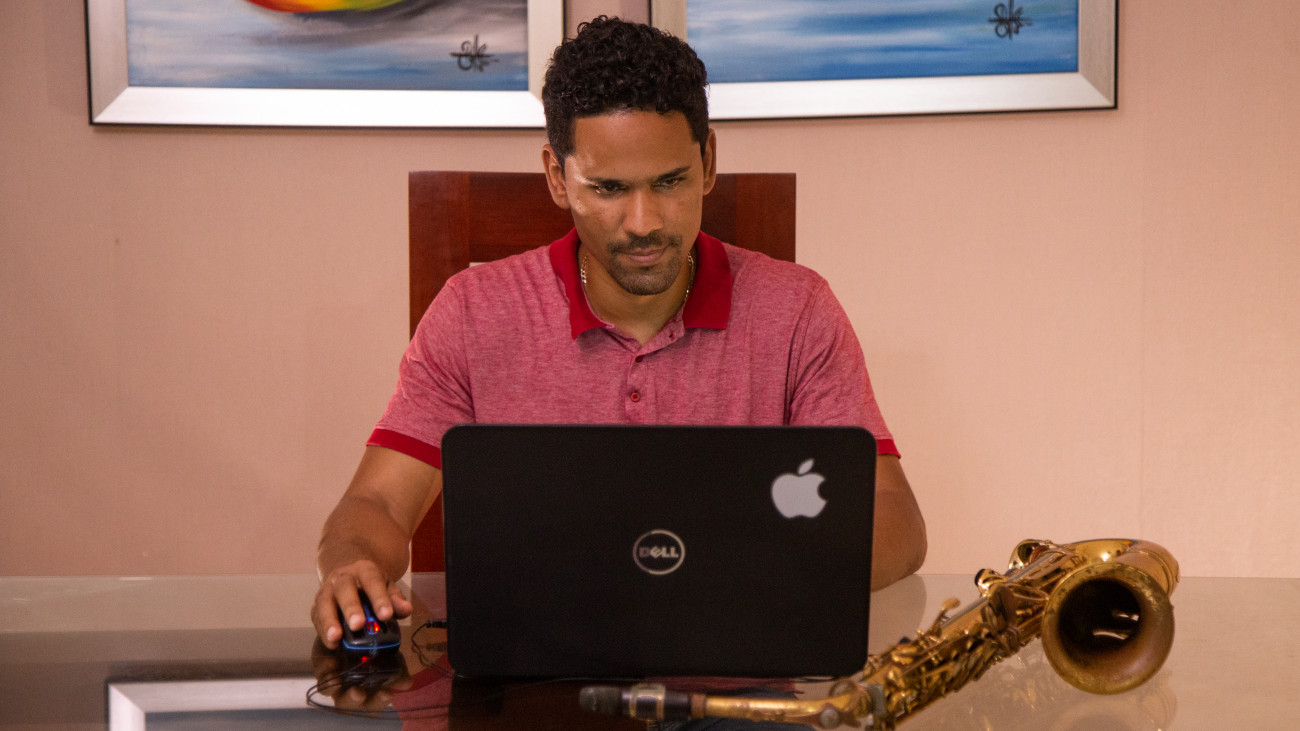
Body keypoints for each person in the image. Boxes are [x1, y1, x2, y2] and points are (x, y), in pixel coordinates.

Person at [312, 16, 926, 649]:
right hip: (531, 673)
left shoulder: (798, 309)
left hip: (741, 669)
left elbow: (896, 520)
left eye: (670, 182)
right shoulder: (472, 312)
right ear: (558, 177)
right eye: (608, 188)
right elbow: (379, 505)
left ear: (708, 162)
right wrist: (354, 563)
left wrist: (757, 575)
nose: (643, 223)